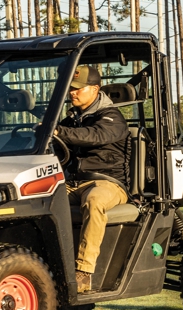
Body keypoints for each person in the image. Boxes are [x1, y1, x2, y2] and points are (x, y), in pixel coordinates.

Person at [54, 65, 131, 293]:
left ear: (95, 89)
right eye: (70, 88)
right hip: (74, 182)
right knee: (39, 199)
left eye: (78, 88)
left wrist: (59, 132)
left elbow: (95, 136)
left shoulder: (111, 117)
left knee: (95, 201)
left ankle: (84, 272)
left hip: (107, 183)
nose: (72, 92)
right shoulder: (72, 121)